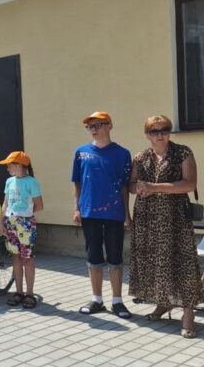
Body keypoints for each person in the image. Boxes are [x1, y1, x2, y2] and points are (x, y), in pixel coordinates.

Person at [129, 115, 200, 338]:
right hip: (147, 218)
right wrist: (138, 188)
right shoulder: (140, 157)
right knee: (155, 263)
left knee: (183, 263)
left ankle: (188, 315)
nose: (160, 134)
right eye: (154, 131)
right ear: (147, 135)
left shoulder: (183, 152)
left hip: (175, 218)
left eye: (164, 130)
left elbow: (190, 183)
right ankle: (164, 303)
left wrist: (154, 187)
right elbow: (130, 185)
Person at [72, 111, 133, 319]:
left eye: (99, 124)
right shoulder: (81, 152)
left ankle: (117, 301)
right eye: (90, 126)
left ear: (109, 126)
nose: (94, 129)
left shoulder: (122, 153)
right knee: (93, 256)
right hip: (89, 212)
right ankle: (97, 299)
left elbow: (125, 186)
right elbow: (77, 183)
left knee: (115, 257)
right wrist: (77, 208)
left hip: (114, 213)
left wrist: (127, 215)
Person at [0, 152, 43, 309]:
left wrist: (26, 215)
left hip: (25, 224)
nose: (8, 168)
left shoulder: (32, 182)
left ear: (20, 166)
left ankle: (30, 294)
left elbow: (39, 205)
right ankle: (19, 292)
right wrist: (1, 222)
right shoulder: (9, 181)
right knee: (16, 258)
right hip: (10, 222)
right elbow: (5, 204)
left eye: (10, 165)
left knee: (27, 258)